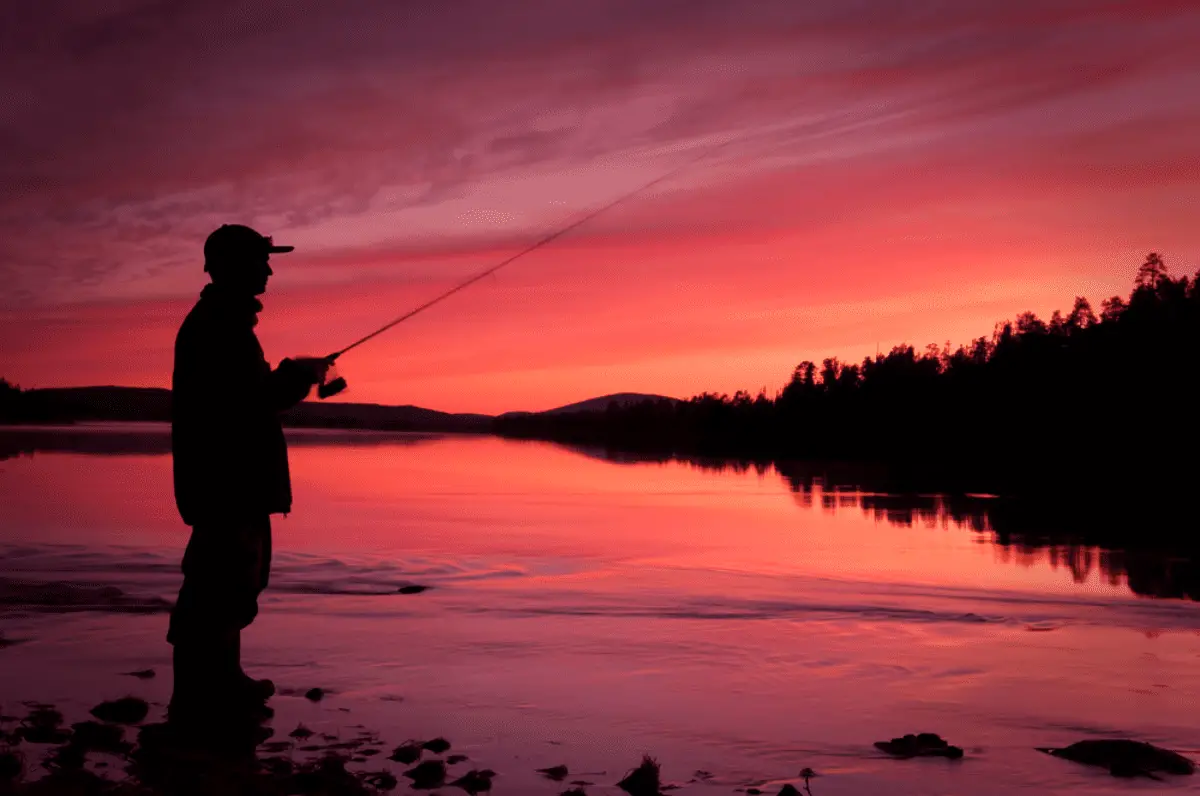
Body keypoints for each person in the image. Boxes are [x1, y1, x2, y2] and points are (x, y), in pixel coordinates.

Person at [166, 224, 328, 725]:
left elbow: (249, 398)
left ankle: (223, 679)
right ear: (232, 266)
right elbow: (251, 401)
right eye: (261, 260)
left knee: (234, 584)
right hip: (226, 482)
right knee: (216, 586)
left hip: (233, 481)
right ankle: (199, 692)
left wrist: (292, 375)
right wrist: (298, 376)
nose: (269, 269)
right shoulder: (219, 324)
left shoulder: (226, 321)